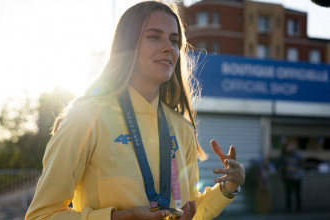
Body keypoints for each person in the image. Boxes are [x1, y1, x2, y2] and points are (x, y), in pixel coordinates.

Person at [25, 1, 245, 219]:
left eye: (174, 40)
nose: (169, 47)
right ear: (127, 45)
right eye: (154, 36)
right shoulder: (87, 117)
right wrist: (120, 217)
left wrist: (228, 187)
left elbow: (189, 210)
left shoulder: (183, 128)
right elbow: (41, 215)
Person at [278, 139, 304, 212]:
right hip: (289, 178)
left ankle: (299, 209)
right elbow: (282, 167)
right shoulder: (286, 156)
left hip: (297, 178)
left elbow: (302, 165)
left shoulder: (298, 156)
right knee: (288, 195)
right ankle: (288, 208)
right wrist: (282, 175)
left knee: (297, 194)